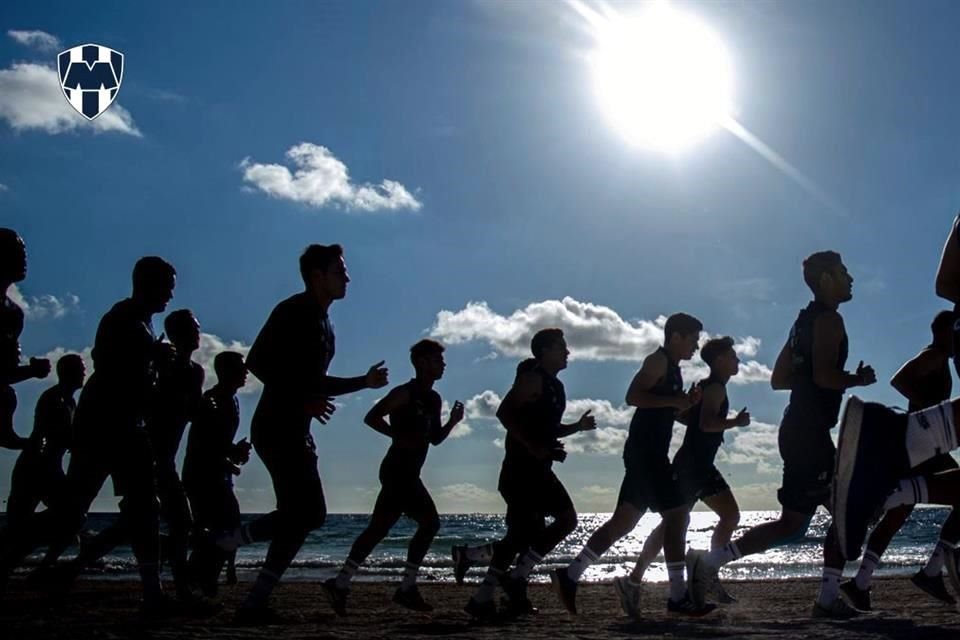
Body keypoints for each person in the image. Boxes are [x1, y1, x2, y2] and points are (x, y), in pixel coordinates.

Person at [689, 251, 876, 619]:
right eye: (843, 272)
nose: (851, 278)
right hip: (808, 434)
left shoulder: (802, 322)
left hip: (800, 430)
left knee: (792, 525)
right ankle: (827, 600)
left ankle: (710, 563)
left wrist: (814, 385)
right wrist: (856, 379)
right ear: (825, 280)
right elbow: (823, 377)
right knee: (843, 511)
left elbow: (778, 380)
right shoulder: (829, 320)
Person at [0, 256, 177, 616]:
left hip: (130, 426)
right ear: (148, 284)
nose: (170, 295)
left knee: (145, 508)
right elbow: (108, 359)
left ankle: (152, 591)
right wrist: (153, 353)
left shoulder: (143, 322)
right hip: (103, 425)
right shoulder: (121, 318)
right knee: (70, 514)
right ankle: (8, 552)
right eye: (166, 287)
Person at [223, 244, 389, 624]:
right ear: (317, 275)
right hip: (275, 426)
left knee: (300, 516)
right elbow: (259, 362)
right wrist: (302, 401)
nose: (347, 277)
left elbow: (316, 383)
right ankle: (226, 541)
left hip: (297, 427)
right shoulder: (293, 310)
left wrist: (362, 382)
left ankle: (254, 599)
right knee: (309, 513)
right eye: (339, 271)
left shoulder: (325, 324)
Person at [552, 314, 704, 616]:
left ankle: (569, 575)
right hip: (646, 454)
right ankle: (677, 595)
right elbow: (633, 396)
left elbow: (662, 409)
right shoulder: (657, 361)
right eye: (692, 340)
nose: (695, 347)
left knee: (623, 524)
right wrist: (675, 401)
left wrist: (685, 405)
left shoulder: (673, 369)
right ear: (675, 337)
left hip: (646, 454)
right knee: (677, 516)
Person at [325, 339, 464, 614]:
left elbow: (434, 439)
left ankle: (341, 583)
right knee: (429, 523)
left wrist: (452, 422)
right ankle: (406, 587)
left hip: (410, 471)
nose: (443, 365)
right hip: (397, 470)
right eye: (437, 360)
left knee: (379, 529)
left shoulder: (434, 399)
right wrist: (398, 436)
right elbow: (372, 417)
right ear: (422, 363)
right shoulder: (405, 393)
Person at [464, 328, 595, 620]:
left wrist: (576, 427)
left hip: (540, 470)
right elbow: (504, 413)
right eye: (561, 347)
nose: (567, 352)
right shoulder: (532, 378)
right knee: (526, 533)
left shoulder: (556, 387)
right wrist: (533, 446)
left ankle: (496, 586)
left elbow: (549, 429)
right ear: (545, 351)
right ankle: (494, 586)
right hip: (519, 472)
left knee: (547, 527)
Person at [615, 336, 749, 618]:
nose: (737, 360)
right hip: (691, 468)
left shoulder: (709, 387)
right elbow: (707, 423)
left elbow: (685, 418)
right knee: (672, 525)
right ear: (720, 361)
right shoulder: (713, 388)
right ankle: (637, 579)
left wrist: (687, 407)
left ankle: (707, 573)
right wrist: (734, 422)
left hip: (702, 466)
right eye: (733, 356)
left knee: (728, 516)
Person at [840, 311, 959, 610]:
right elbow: (899, 380)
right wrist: (926, 410)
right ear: (944, 332)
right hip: (921, 442)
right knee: (906, 507)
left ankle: (861, 582)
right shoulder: (933, 355)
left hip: (926, 444)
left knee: (898, 515)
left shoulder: (941, 360)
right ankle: (931, 569)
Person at [183, 351, 250, 596]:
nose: (246, 372)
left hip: (217, 474)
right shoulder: (212, 400)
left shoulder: (231, 400)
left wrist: (235, 453)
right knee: (221, 527)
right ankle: (201, 576)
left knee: (222, 527)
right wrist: (231, 457)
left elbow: (219, 444)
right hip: (203, 476)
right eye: (241, 368)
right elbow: (206, 444)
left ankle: (202, 576)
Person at [5, 355, 85, 523]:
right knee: (18, 521)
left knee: (72, 515)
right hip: (35, 466)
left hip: (51, 466)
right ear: (67, 372)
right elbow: (55, 434)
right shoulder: (53, 398)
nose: (84, 373)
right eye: (80, 369)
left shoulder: (70, 401)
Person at [0, 228, 51, 450]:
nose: (24, 258)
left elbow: (4, 373)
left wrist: (31, 371)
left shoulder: (14, 314)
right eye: (16, 251)